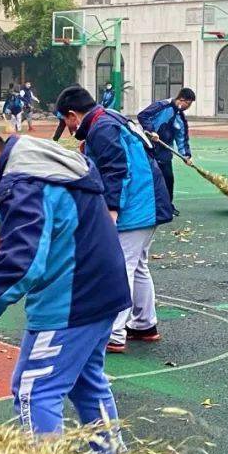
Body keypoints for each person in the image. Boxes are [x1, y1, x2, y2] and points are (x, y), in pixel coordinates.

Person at [0, 120, 130, 449]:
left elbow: (25, 262)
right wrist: (10, 240)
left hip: (73, 298)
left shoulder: (22, 180)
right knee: (87, 383)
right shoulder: (37, 160)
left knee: (34, 390)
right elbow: (53, 223)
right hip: (103, 288)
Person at [55, 86, 173, 354]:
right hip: (148, 203)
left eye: (65, 121)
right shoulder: (109, 119)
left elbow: (115, 170)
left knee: (120, 267)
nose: (68, 127)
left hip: (137, 206)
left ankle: (115, 333)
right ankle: (144, 324)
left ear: (73, 115)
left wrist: (111, 210)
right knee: (137, 265)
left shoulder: (102, 127)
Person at [138, 87, 195, 215]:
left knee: (168, 178)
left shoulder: (180, 117)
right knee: (149, 178)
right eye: (188, 104)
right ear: (182, 99)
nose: (188, 107)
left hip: (165, 151)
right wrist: (151, 130)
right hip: (149, 147)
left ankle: (167, 206)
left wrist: (186, 155)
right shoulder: (162, 106)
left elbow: (182, 137)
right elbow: (143, 116)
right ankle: (148, 207)